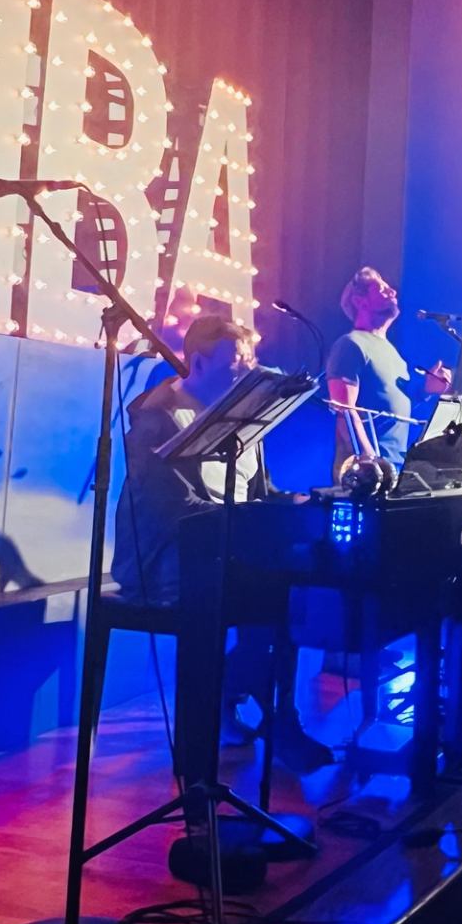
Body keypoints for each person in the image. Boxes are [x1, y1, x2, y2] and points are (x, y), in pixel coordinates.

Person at [112, 314, 333, 773]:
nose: (246, 370)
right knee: (277, 590)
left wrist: (290, 503)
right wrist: (251, 524)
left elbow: (257, 490)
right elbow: (172, 508)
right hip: (168, 563)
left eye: (249, 359)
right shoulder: (156, 419)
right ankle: (263, 713)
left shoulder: (243, 415)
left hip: (225, 549)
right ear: (197, 361)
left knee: (299, 579)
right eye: (236, 361)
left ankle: (248, 699)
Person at [326, 266, 454, 472]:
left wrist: (427, 389)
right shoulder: (350, 344)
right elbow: (345, 412)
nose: (393, 292)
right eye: (382, 289)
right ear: (360, 302)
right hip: (367, 475)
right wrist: (371, 463)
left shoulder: (392, 352)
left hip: (395, 466)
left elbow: (399, 405)